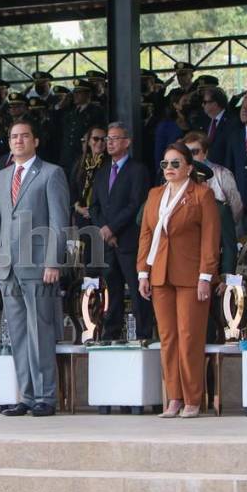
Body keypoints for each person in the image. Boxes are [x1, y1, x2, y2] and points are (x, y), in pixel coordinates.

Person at [0, 119, 70, 417]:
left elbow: (59, 223)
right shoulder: (3, 176)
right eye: (13, 137)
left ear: (35, 141)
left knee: (40, 333)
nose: (18, 141)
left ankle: (46, 397)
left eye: (24, 136)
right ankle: (27, 396)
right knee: (18, 335)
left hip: (38, 267)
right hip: (7, 267)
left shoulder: (51, 173)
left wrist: (53, 261)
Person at [137, 143, 220, 418]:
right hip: (160, 273)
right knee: (168, 338)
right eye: (165, 164)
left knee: (189, 337)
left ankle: (193, 398)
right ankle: (173, 397)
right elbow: (146, 235)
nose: (169, 169)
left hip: (190, 275)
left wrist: (206, 276)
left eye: (175, 164)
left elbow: (210, 239)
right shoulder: (155, 194)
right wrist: (143, 272)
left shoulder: (202, 195)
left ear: (188, 167)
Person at [89, 123, 150, 339]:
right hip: (107, 243)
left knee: (136, 290)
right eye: (108, 139)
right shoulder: (102, 171)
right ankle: (111, 333)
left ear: (127, 142)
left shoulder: (138, 170)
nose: (110, 142)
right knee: (112, 290)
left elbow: (136, 204)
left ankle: (143, 334)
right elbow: (94, 206)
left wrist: (112, 228)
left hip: (128, 241)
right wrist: (104, 229)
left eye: (115, 138)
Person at [182, 131, 243, 225]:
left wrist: (225, 226)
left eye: (194, 152)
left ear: (205, 153)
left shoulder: (223, 174)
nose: (190, 157)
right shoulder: (180, 176)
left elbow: (236, 206)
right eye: (186, 153)